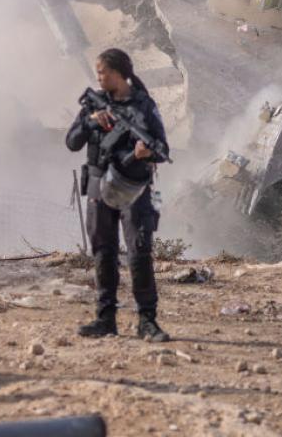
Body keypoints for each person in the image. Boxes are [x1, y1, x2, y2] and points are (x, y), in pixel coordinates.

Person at [66, 48, 170, 342]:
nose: (99, 78)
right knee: (104, 253)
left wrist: (144, 153)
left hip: (133, 189)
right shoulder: (93, 106)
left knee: (139, 253)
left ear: (120, 74)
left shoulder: (144, 106)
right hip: (99, 187)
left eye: (104, 73)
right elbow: (72, 142)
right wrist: (91, 122)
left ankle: (147, 321)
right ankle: (105, 318)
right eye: (98, 73)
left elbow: (162, 148)